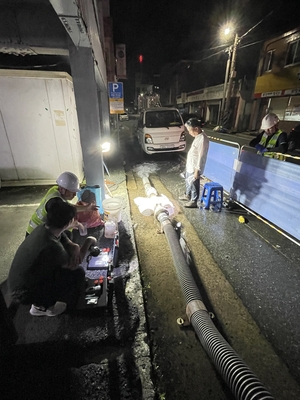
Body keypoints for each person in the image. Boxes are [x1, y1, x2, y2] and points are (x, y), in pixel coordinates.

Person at [8, 198, 97, 317]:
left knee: (68, 242)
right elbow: (74, 264)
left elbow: (62, 236)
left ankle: (40, 301)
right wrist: (89, 241)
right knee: (77, 274)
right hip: (23, 293)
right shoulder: (52, 247)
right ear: (68, 223)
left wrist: (73, 245)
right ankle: (43, 306)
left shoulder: (43, 227)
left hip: (17, 282)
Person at [26, 171, 96, 235]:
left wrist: (86, 208)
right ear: (63, 190)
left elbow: (67, 207)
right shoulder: (55, 204)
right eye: (72, 191)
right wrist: (71, 225)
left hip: (39, 230)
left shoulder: (55, 190)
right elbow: (55, 228)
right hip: (36, 234)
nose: (75, 194)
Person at [179, 118, 210, 208]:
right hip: (191, 165)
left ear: (196, 128)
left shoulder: (202, 139)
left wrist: (197, 170)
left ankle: (194, 201)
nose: (189, 133)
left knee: (194, 183)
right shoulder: (198, 137)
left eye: (190, 130)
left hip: (195, 167)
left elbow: (201, 156)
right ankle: (187, 195)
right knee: (188, 181)